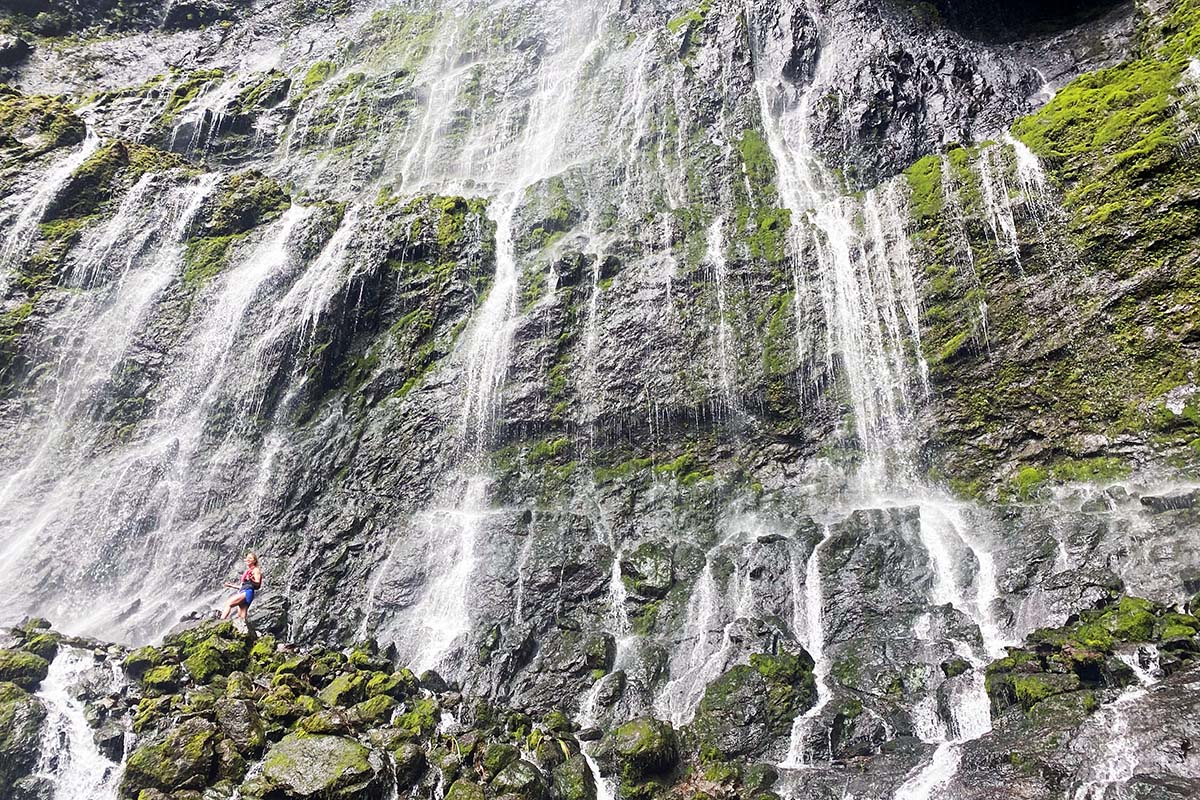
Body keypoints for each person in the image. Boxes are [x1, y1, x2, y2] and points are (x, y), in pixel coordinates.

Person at [220, 552, 263, 621]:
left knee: (229, 603)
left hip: (247, 592)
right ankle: (245, 630)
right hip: (245, 591)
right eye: (247, 558)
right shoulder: (248, 571)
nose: (248, 559)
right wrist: (230, 585)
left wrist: (252, 580)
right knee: (241, 617)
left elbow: (257, 583)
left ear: (254, 561)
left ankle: (221, 621)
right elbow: (242, 586)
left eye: (250, 558)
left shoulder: (256, 570)